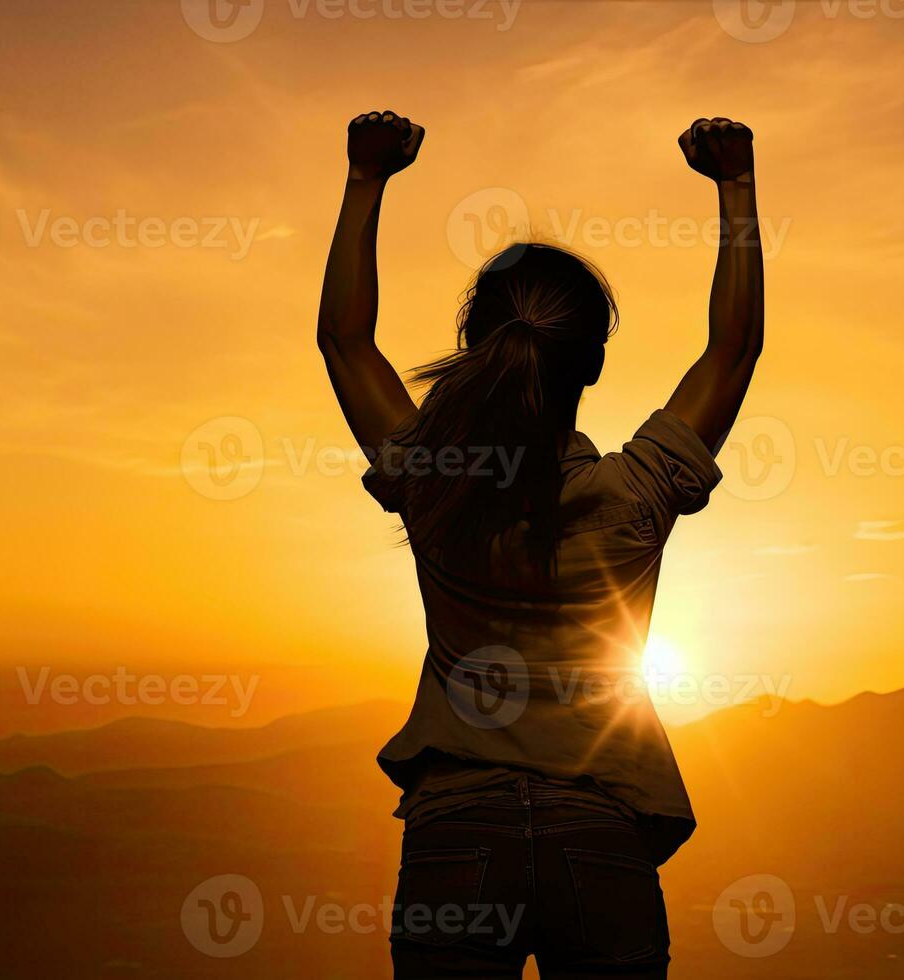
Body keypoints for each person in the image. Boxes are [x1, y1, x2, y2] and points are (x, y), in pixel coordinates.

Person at [317, 109, 764, 979]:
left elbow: (345, 342)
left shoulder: (435, 482)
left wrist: (365, 177)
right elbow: (733, 349)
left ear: (471, 347)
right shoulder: (632, 497)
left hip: (456, 840)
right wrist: (735, 186)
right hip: (601, 842)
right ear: (590, 363)